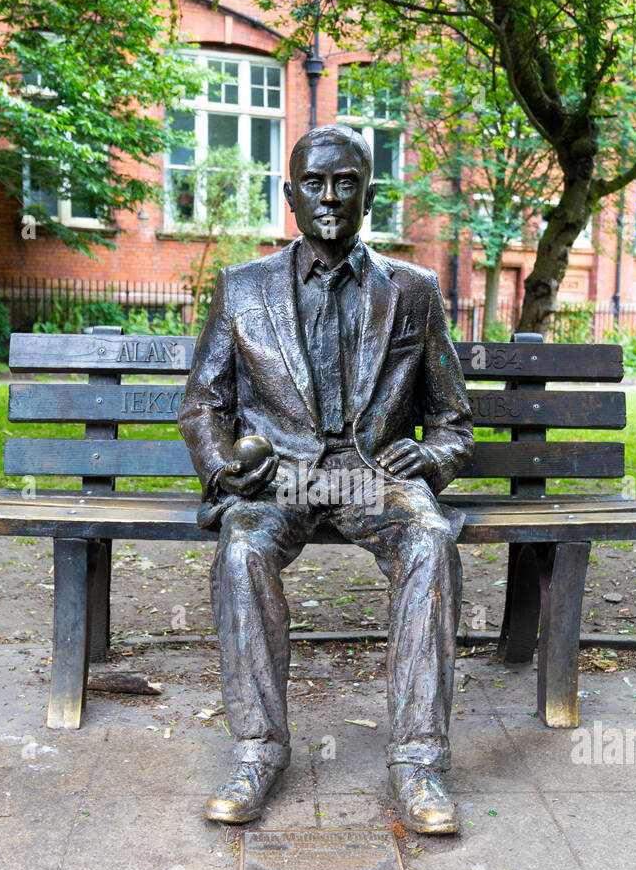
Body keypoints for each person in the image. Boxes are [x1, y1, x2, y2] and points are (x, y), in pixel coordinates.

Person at [179, 124, 475, 833]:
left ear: (370, 195)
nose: (331, 197)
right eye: (315, 183)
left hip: (372, 474)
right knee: (244, 551)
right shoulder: (241, 289)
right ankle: (258, 749)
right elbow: (202, 401)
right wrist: (227, 468)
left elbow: (452, 421)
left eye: (347, 183)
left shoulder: (413, 291)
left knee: (431, 543)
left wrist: (432, 459)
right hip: (279, 476)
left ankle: (418, 760)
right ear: (290, 195)